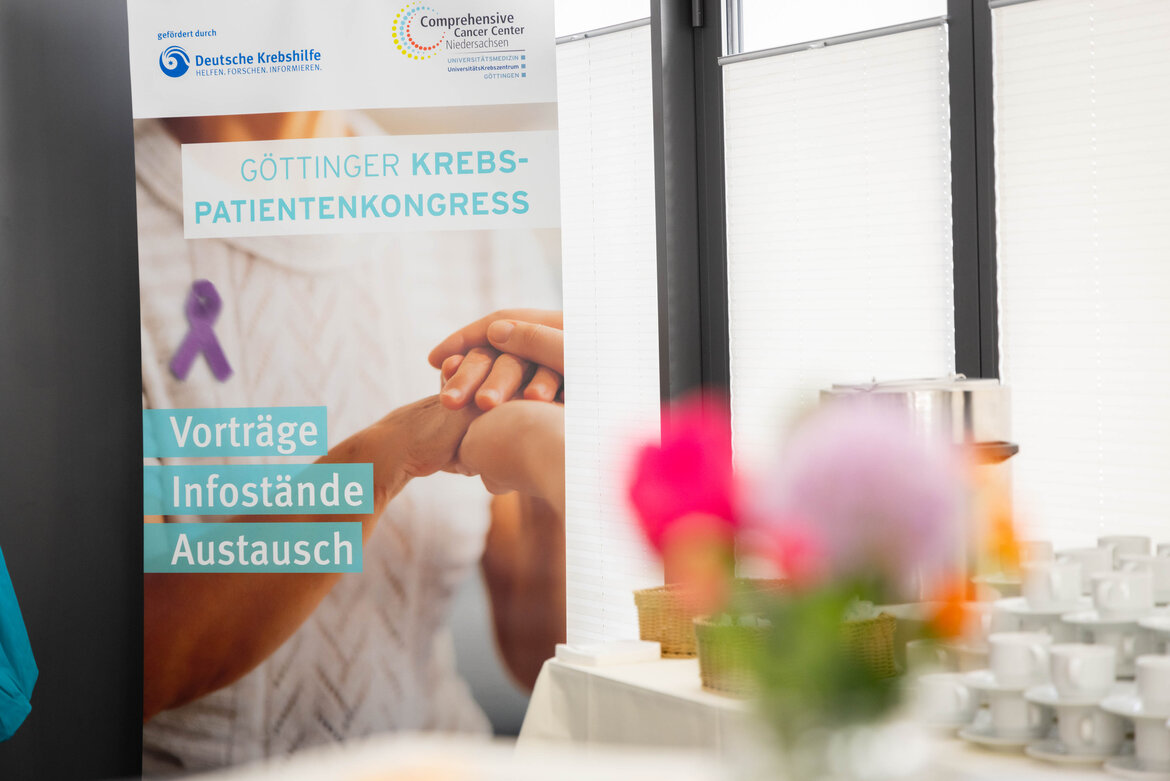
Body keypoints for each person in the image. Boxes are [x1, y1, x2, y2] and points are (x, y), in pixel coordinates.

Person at [139, 110, 565, 773]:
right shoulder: (90, 224)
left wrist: (562, 441)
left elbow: (539, 652)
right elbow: (129, 667)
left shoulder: (469, 220)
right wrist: (385, 458)